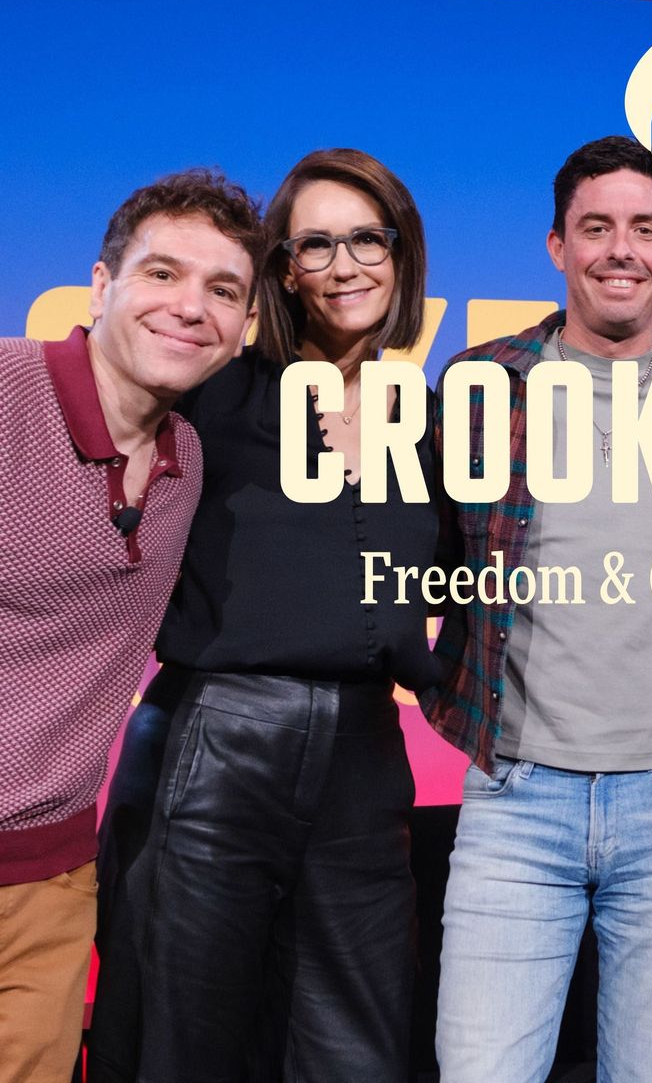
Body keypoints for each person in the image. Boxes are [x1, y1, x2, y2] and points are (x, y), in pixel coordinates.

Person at [88, 148, 442, 1083]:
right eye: (315, 244)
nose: (344, 264)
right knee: (180, 1048)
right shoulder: (208, 390)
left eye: (368, 239)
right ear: (282, 270)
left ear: (402, 255)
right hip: (214, 746)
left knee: (357, 1055)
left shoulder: (431, 416)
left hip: (366, 764)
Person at [422, 136, 652, 1083]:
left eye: (646, 228)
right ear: (558, 246)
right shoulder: (480, 389)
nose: (622, 250)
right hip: (516, 803)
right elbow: (415, 557)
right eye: (597, 227)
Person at [0, 170, 260, 1083]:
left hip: (54, 879)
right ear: (101, 286)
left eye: (222, 290)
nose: (190, 307)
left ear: (245, 326)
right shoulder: (7, 391)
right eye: (162, 274)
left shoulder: (189, 462)